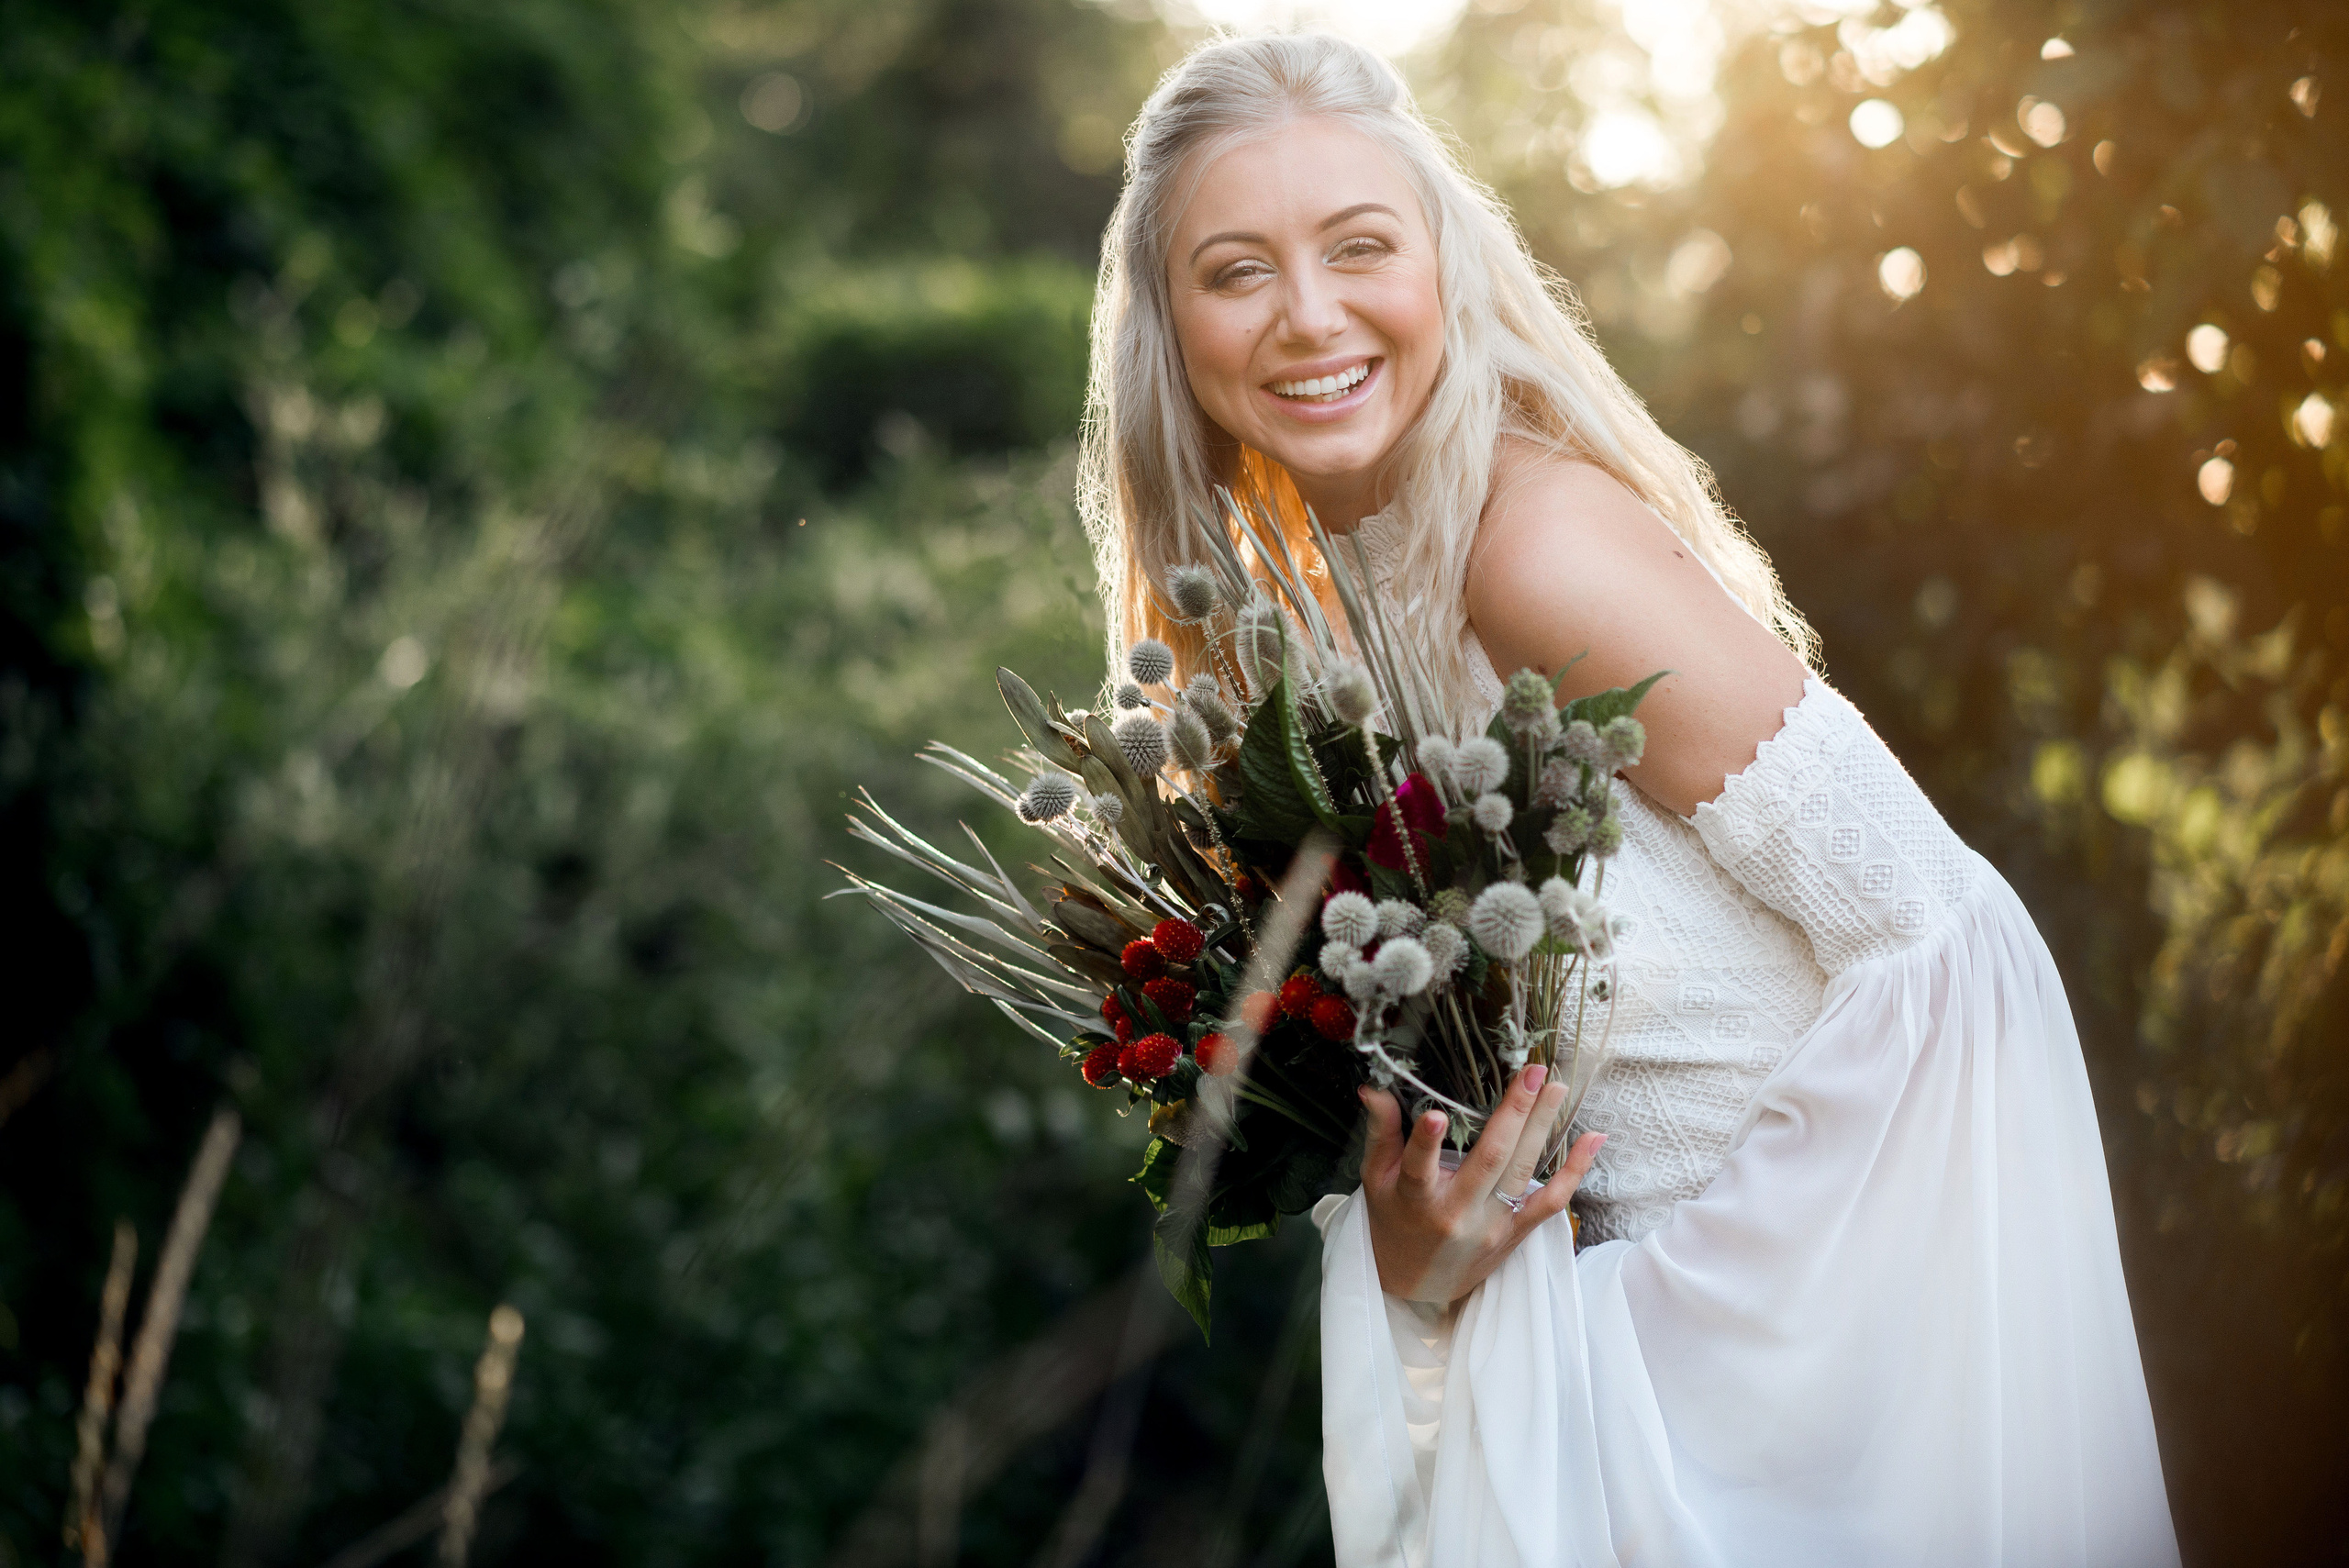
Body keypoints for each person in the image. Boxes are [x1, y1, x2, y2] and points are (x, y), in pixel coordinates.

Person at [1077, 30, 2178, 1568]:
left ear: (1445, 266)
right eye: (1237, 269)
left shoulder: (1527, 546)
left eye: (1359, 247)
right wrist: (1419, 1256)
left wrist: (1643, 1319)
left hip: (1768, 1434)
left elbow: (1943, 943)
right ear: (1172, 323)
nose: (1309, 315)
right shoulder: (1321, 640)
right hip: (1615, 1429)